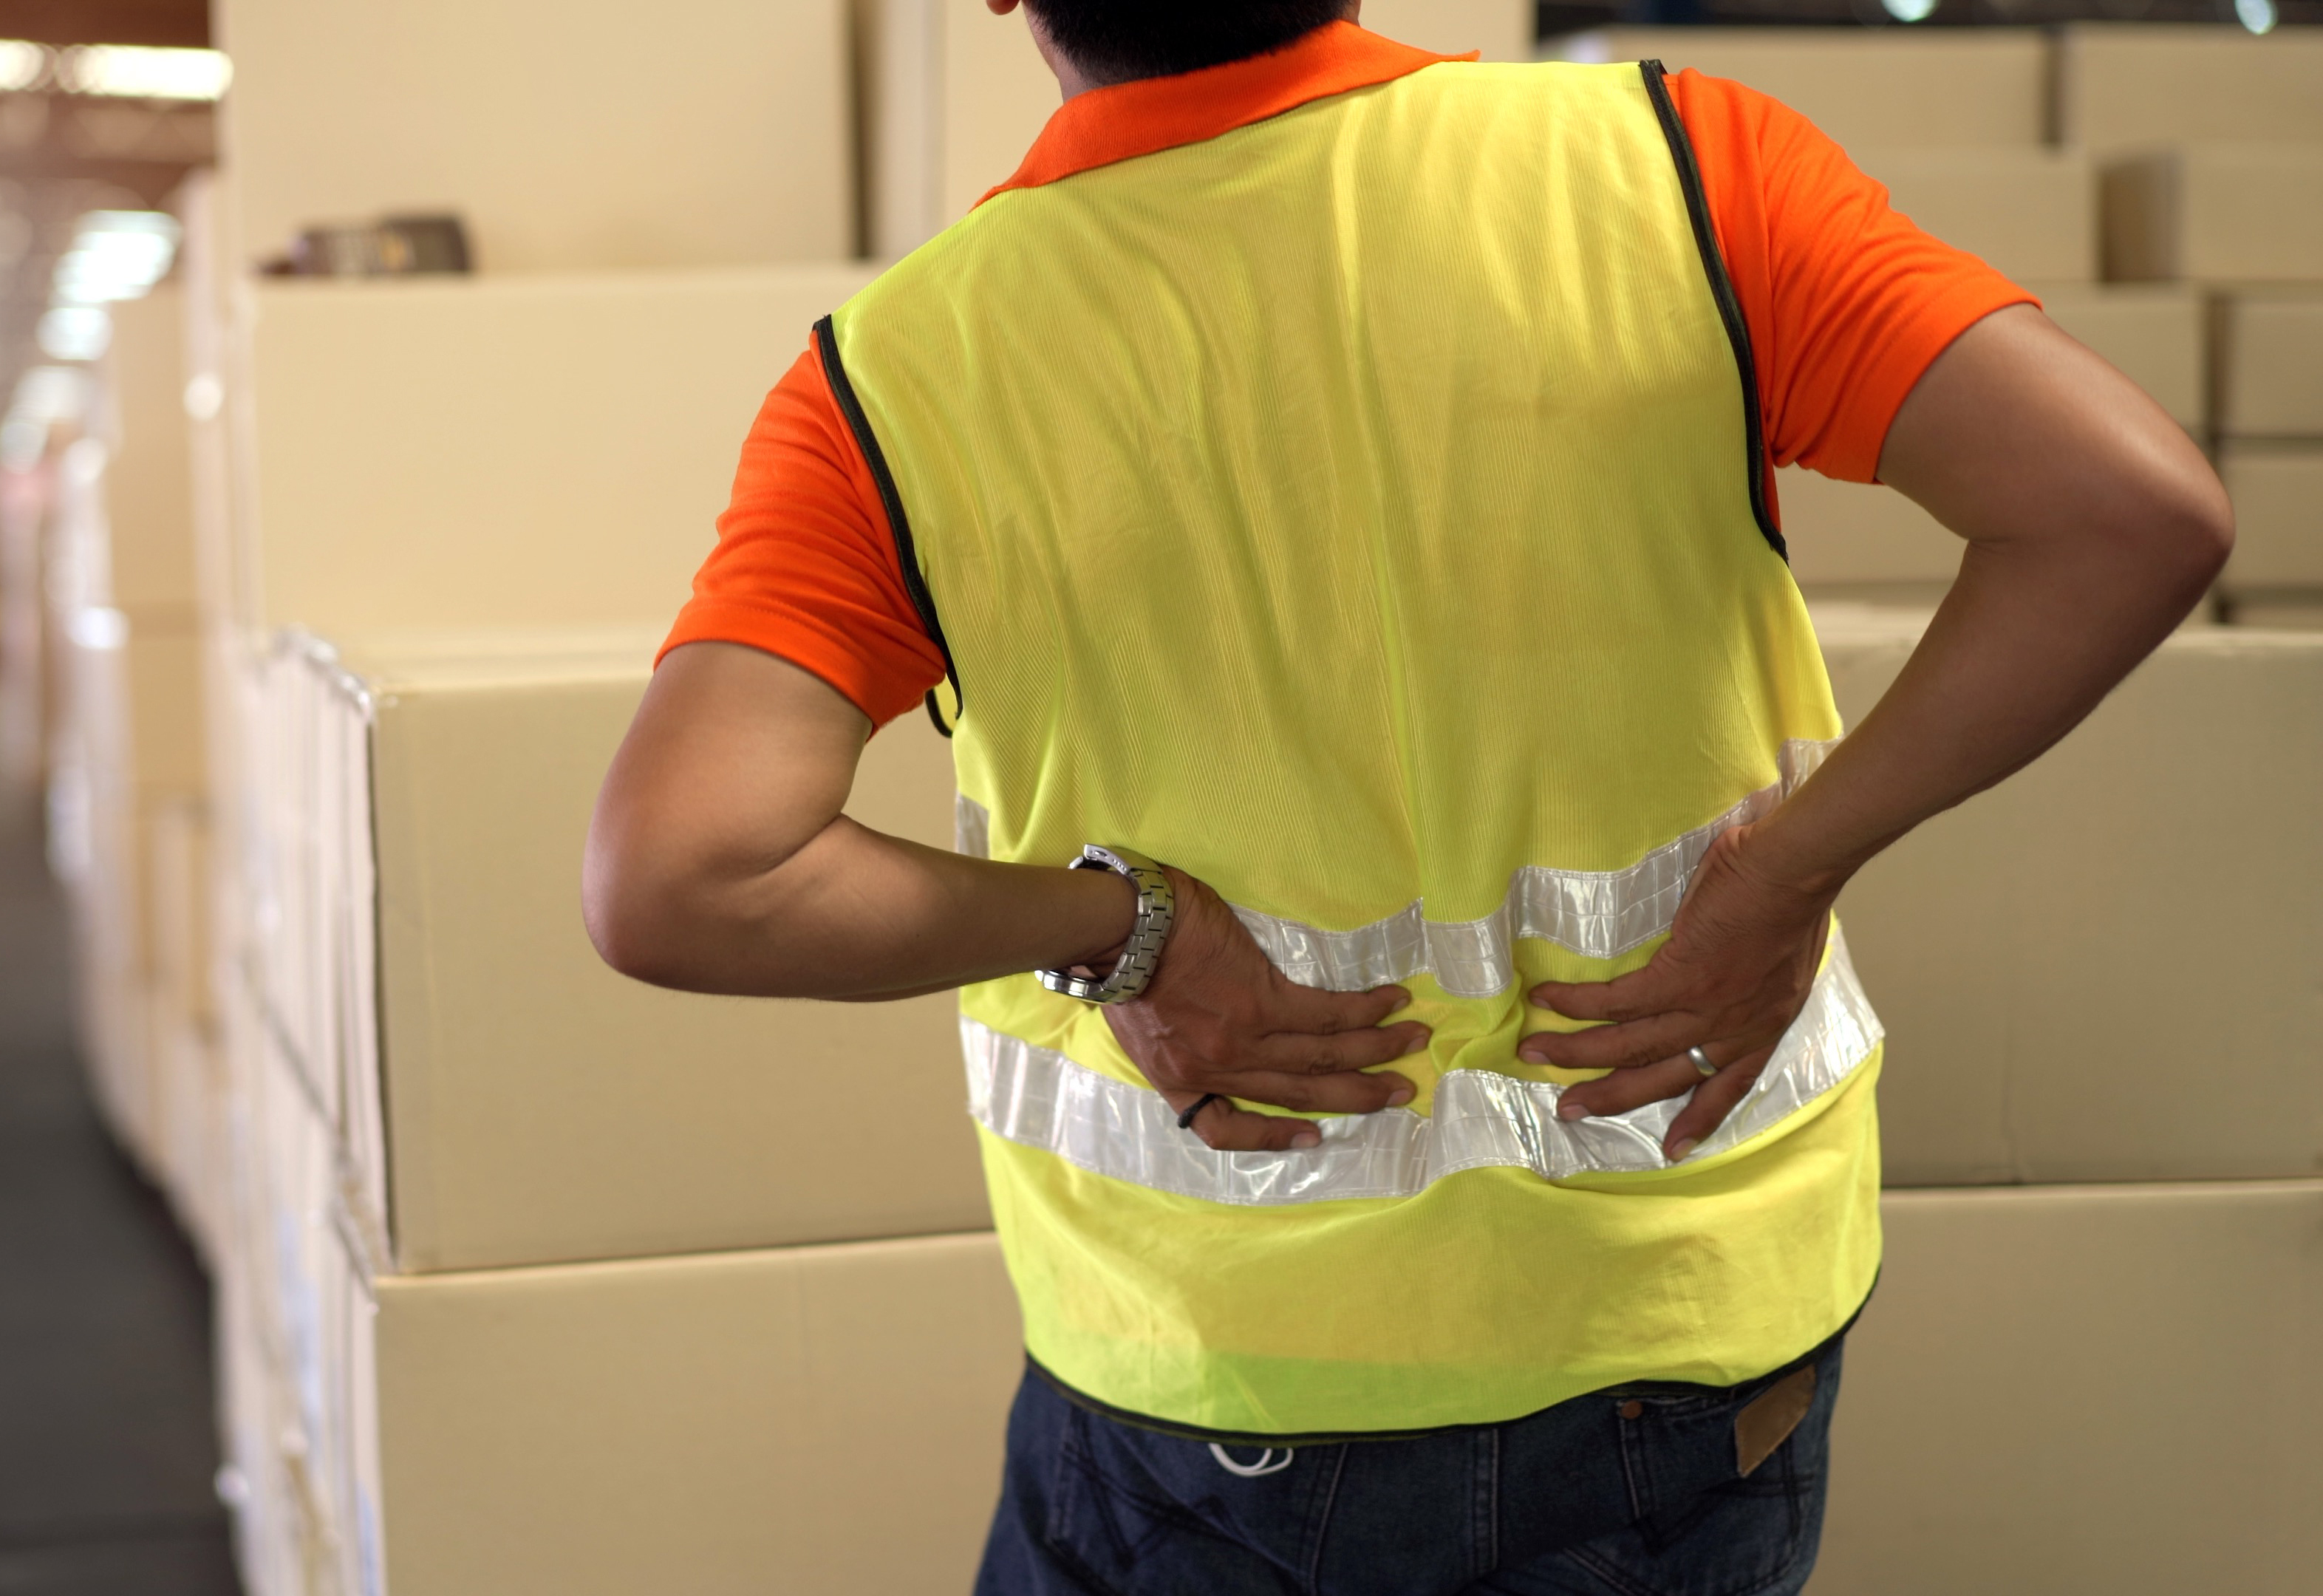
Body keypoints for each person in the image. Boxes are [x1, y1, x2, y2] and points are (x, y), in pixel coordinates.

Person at [581, 3, 2230, 1591]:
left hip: (1203, 1376)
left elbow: (686, 874)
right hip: (1670, 1341)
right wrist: (1791, 868)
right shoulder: (1675, 170)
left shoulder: (897, 376)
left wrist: (1126, 930)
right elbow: (2131, 511)